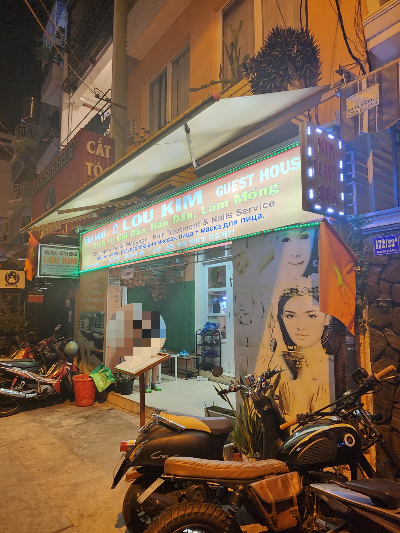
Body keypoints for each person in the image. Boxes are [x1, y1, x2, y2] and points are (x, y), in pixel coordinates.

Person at [271, 286, 334, 419]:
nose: (300, 326)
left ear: (327, 318)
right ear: (282, 317)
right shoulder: (277, 363)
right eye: (290, 316)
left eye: (311, 316)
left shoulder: (335, 366)